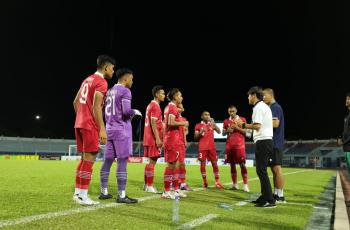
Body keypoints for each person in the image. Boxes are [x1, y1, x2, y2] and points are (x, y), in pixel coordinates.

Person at [73, 55, 115, 205]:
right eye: (112, 68)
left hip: (79, 123)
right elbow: (96, 107)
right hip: (90, 125)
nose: (113, 71)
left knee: (84, 159)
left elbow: (75, 102)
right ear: (105, 67)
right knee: (90, 159)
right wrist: (102, 129)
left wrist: (81, 116)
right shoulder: (101, 82)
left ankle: (78, 193)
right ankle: (83, 196)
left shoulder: (87, 79)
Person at [99, 68, 141, 203]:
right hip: (121, 129)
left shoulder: (109, 91)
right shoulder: (125, 91)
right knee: (122, 161)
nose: (132, 81)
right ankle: (121, 195)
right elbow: (126, 111)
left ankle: (103, 192)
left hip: (109, 128)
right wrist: (135, 112)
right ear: (125, 78)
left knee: (108, 161)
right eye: (132, 79)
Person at [236, 86, 276, 208]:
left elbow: (257, 126)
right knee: (261, 170)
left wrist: (243, 124)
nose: (248, 98)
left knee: (261, 170)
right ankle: (265, 196)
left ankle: (270, 199)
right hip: (265, 140)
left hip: (263, 141)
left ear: (254, 95)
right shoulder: (264, 106)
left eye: (249, 95)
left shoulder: (258, 107)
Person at [161, 88, 188, 199]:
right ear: (175, 97)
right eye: (180, 95)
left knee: (176, 166)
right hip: (171, 140)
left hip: (175, 140)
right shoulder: (172, 107)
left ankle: (176, 190)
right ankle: (166, 191)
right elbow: (171, 123)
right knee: (171, 165)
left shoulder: (171, 107)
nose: (181, 97)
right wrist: (184, 123)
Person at [263, 88, 286, 203]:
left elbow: (275, 123)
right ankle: (276, 193)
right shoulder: (272, 107)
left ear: (270, 94)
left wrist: (260, 124)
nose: (263, 98)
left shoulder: (275, 107)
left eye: (264, 95)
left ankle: (281, 195)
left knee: (277, 168)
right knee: (274, 169)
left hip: (275, 143)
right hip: (274, 143)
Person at [143, 85, 166, 193]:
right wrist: (157, 138)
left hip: (148, 137)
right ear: (157, 94)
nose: (164, 95)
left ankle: (146, 184)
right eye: (162, 93)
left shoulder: (150, 105)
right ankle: (150, 186)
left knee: (150, 162)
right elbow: (153, 122)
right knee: (152, 162)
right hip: (153, 138)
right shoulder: (155, 106)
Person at [222, 105, 249, 192]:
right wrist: (227, 131)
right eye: (230, 111)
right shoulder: (226, 121)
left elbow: (247, 133)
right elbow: (223, 133)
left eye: (233, 111)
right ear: (228, 112)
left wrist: (237, 128)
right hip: (229, 146)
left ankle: (245, 185)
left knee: (242, 164)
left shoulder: (242, 119)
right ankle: (235, 184)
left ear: (236, 110)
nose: (232, 113)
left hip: (239, 146)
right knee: (232, 165)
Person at [194, 111, 223, 189]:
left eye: (208, 115)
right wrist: (200, 133)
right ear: (202, 116)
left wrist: (214, 123)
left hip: (211, 148)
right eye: (205, 115)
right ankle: (205, 182)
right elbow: (195, 137)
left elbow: (219, 131)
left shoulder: (212, 124)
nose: (207, 116)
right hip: (202, 148)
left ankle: (217, 182)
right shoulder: (198, 125)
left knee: (215, 164)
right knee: (203, 165)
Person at [177, 103, 192, 191]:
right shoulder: (173, 117)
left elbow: (185, 132)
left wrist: (185, 140)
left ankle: (182, 183)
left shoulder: (184, 119)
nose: (182, 108)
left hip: (181, 143)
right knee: (174, 164)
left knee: (182, 164)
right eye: (180, 107)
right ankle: (173, 182)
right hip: (174, 143)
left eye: (182, 107)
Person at [339, 92, 350, 174]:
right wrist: (341, 138)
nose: (346, 100)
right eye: (346, 98)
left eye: (348, 99)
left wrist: (343, 141)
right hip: (346, 147)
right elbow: (345, 131)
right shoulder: (347, 116)